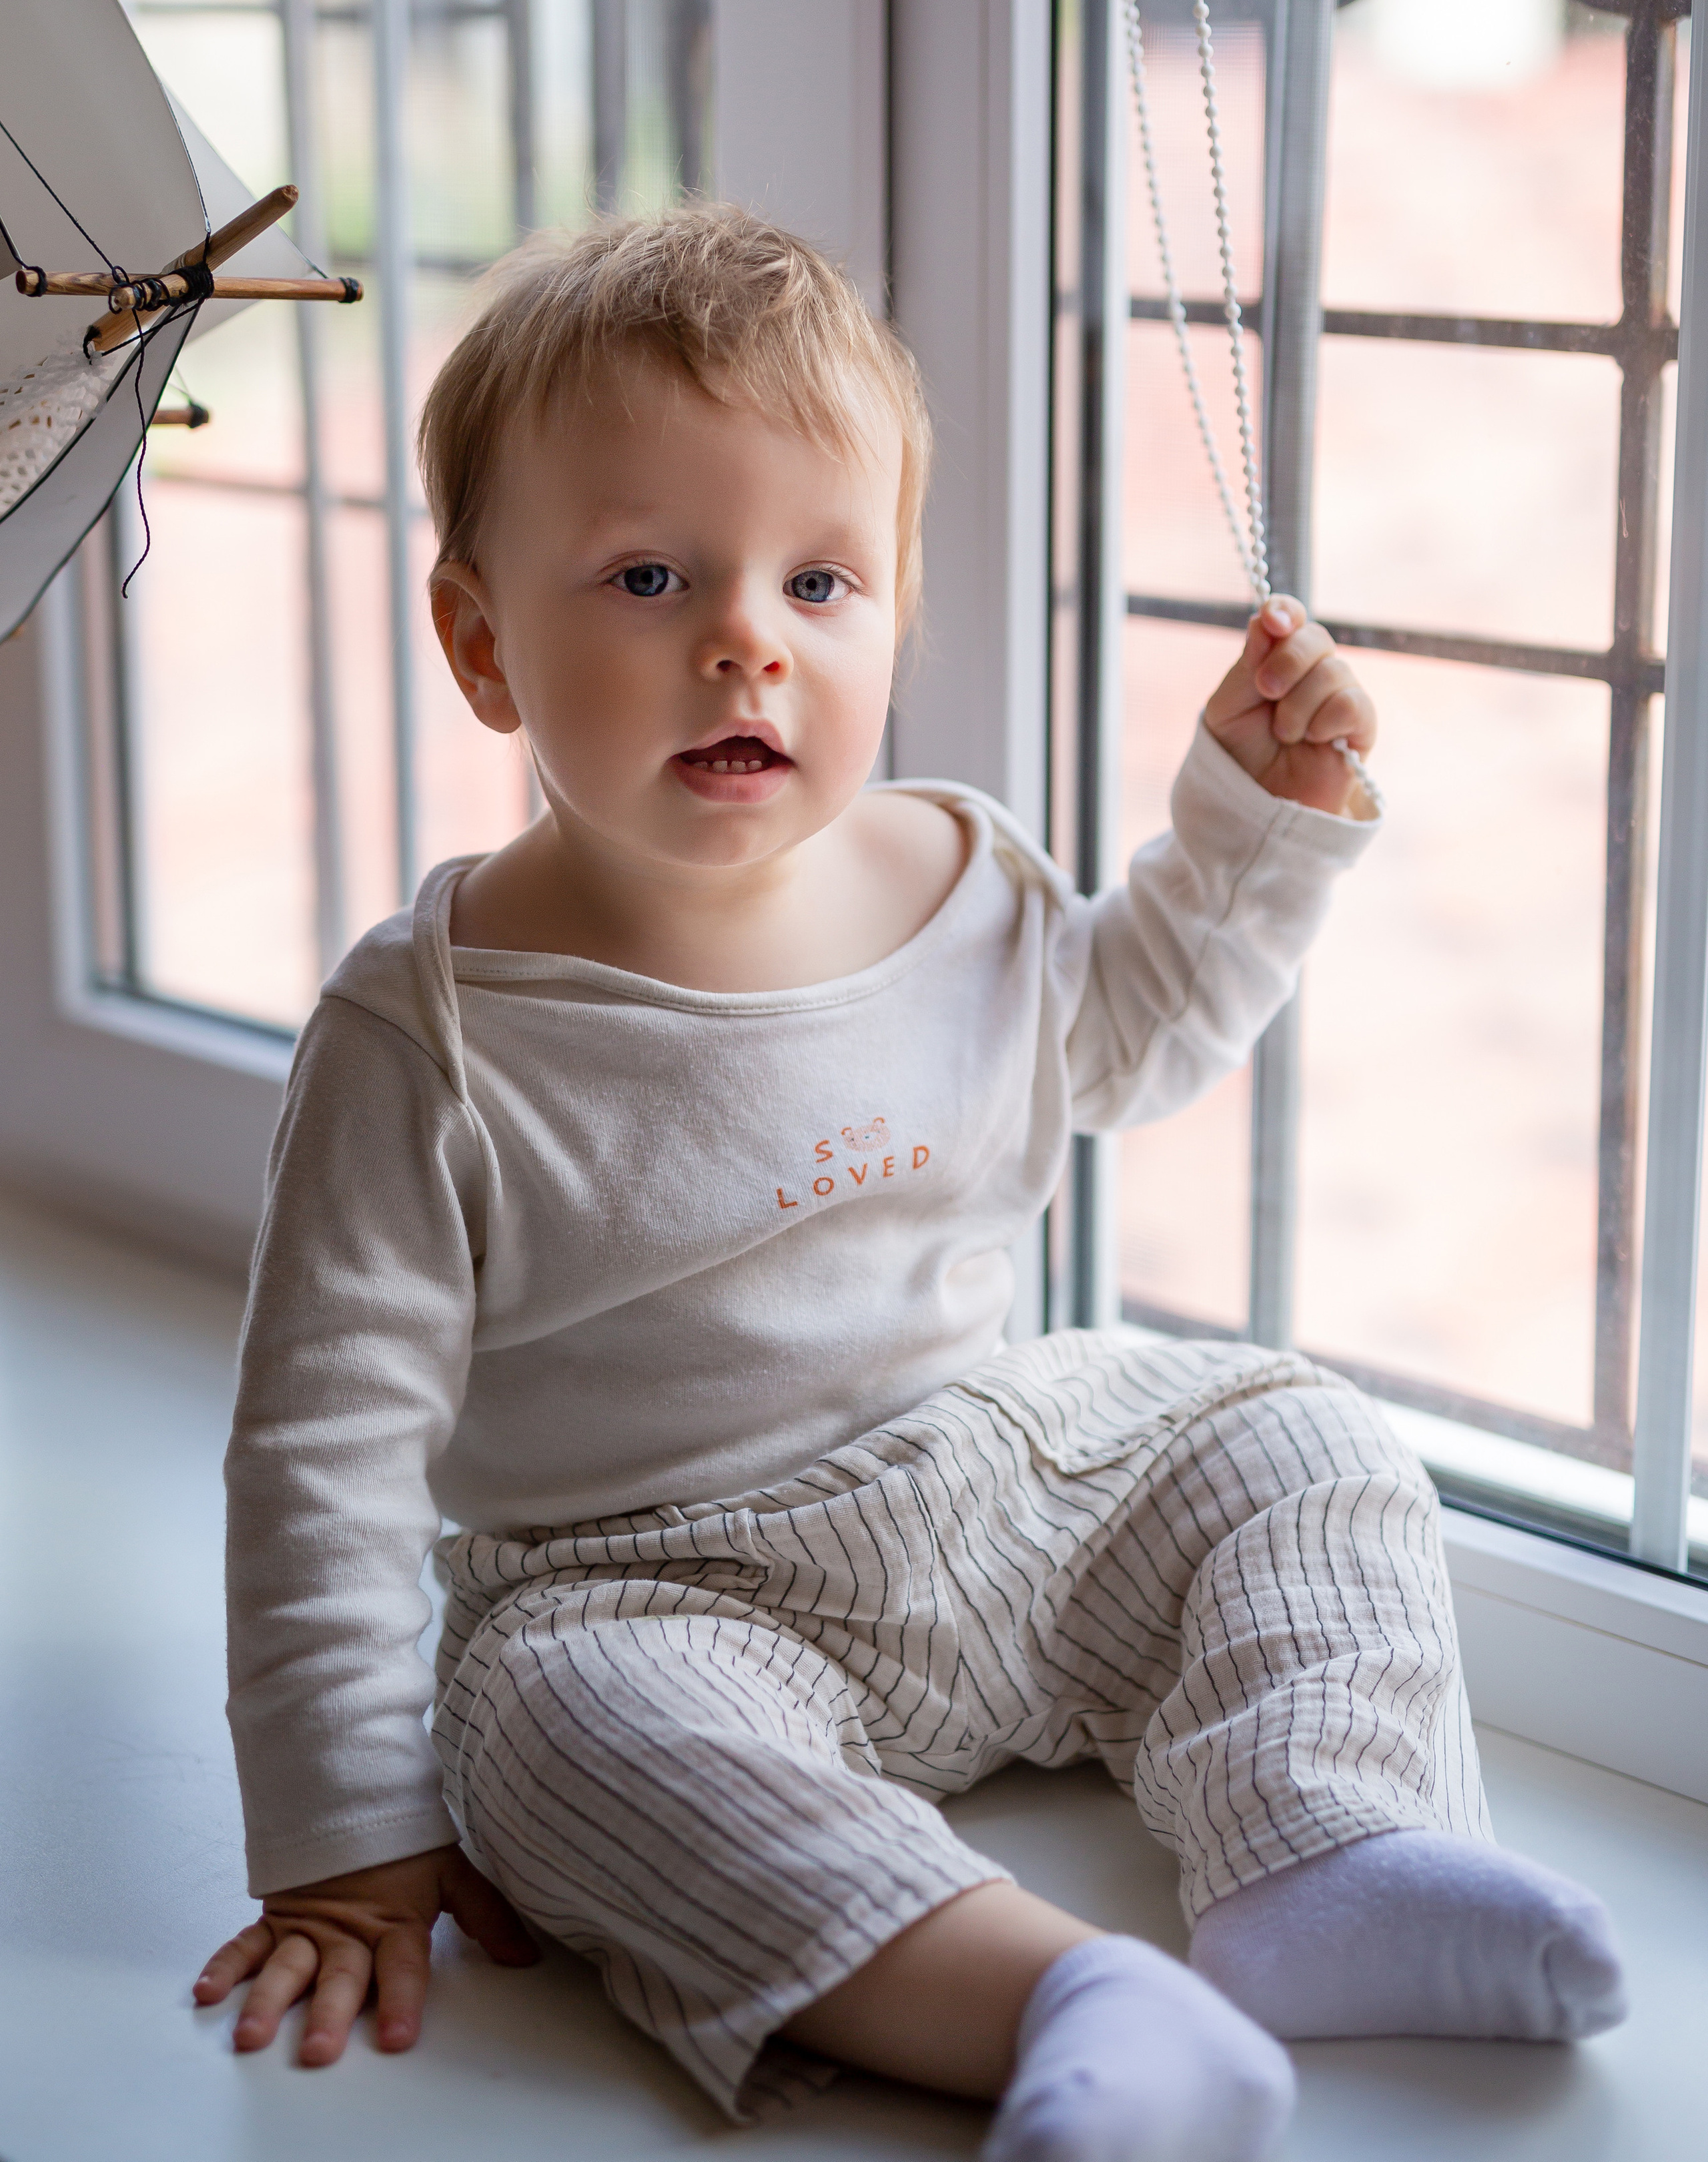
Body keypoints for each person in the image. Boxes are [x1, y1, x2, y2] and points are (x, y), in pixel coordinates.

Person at [195, 209, 1625, 2162]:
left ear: (896, 608)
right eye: (646, 575)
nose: (744, 639)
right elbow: (320, 1464)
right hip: (649, 1587)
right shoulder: (426, 1031)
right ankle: (1061, 1998)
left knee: (1294, 1432)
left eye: (819, 578)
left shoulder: (960, 875)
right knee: (547, 1739)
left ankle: (1328, 1855)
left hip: (997, 1478)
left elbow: (1124, 1036)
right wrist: (351, 1849)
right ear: (481, 644)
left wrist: (1252, 831)